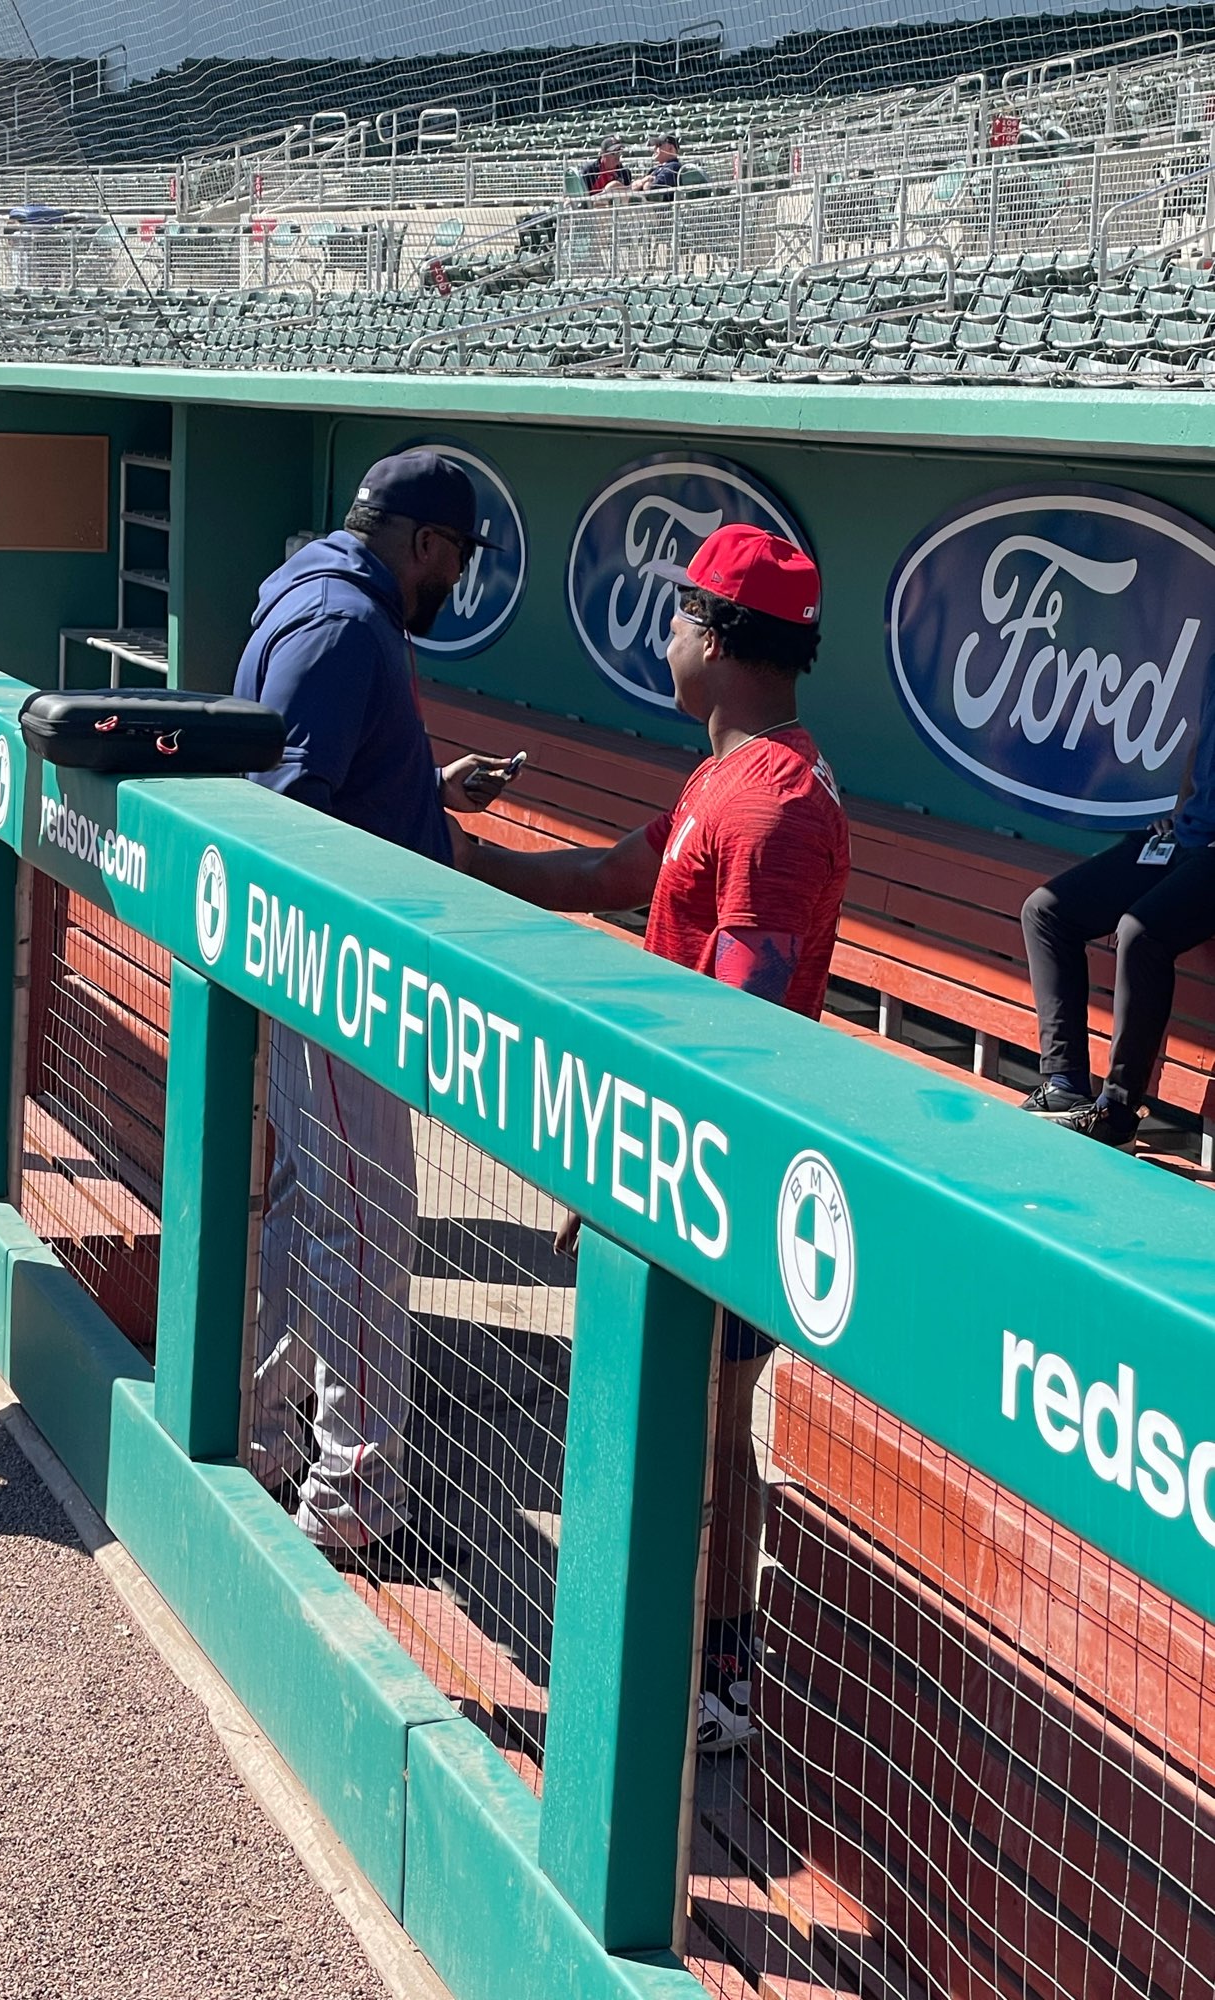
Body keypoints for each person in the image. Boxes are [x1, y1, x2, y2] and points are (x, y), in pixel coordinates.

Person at [454, 524, 848, 1748]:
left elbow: (732, 1021)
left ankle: (717, 1681)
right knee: (678, 1423)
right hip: (672, 1160)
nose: (664, 634)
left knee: (709, 1434)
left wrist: (635, 1160)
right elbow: (618, 875)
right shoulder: (724, 774)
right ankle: (680, 1658)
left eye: (680, 615)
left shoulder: (774, 800)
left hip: (715, 1172)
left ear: (720, 638)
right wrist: (468, 859)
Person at [234, 449, 521, 1569]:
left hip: (317, 969)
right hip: (329, 972)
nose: (455, 578)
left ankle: (264, 1439)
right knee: (364, 1227)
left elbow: (331, 776)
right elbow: (285, 808)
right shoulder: (344, 622)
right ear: (425, 542)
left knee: (315, 1214)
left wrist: (423, 792)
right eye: (455, 557)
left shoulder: (325, 594)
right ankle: (350, 1498)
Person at [1021, 689, 1215, 1147]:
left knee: (1140, 933)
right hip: (1186, 837)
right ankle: (1065, 1084)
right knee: (1046, 911)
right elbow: (1202, 740)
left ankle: (1118, 1113)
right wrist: (1180, 813)